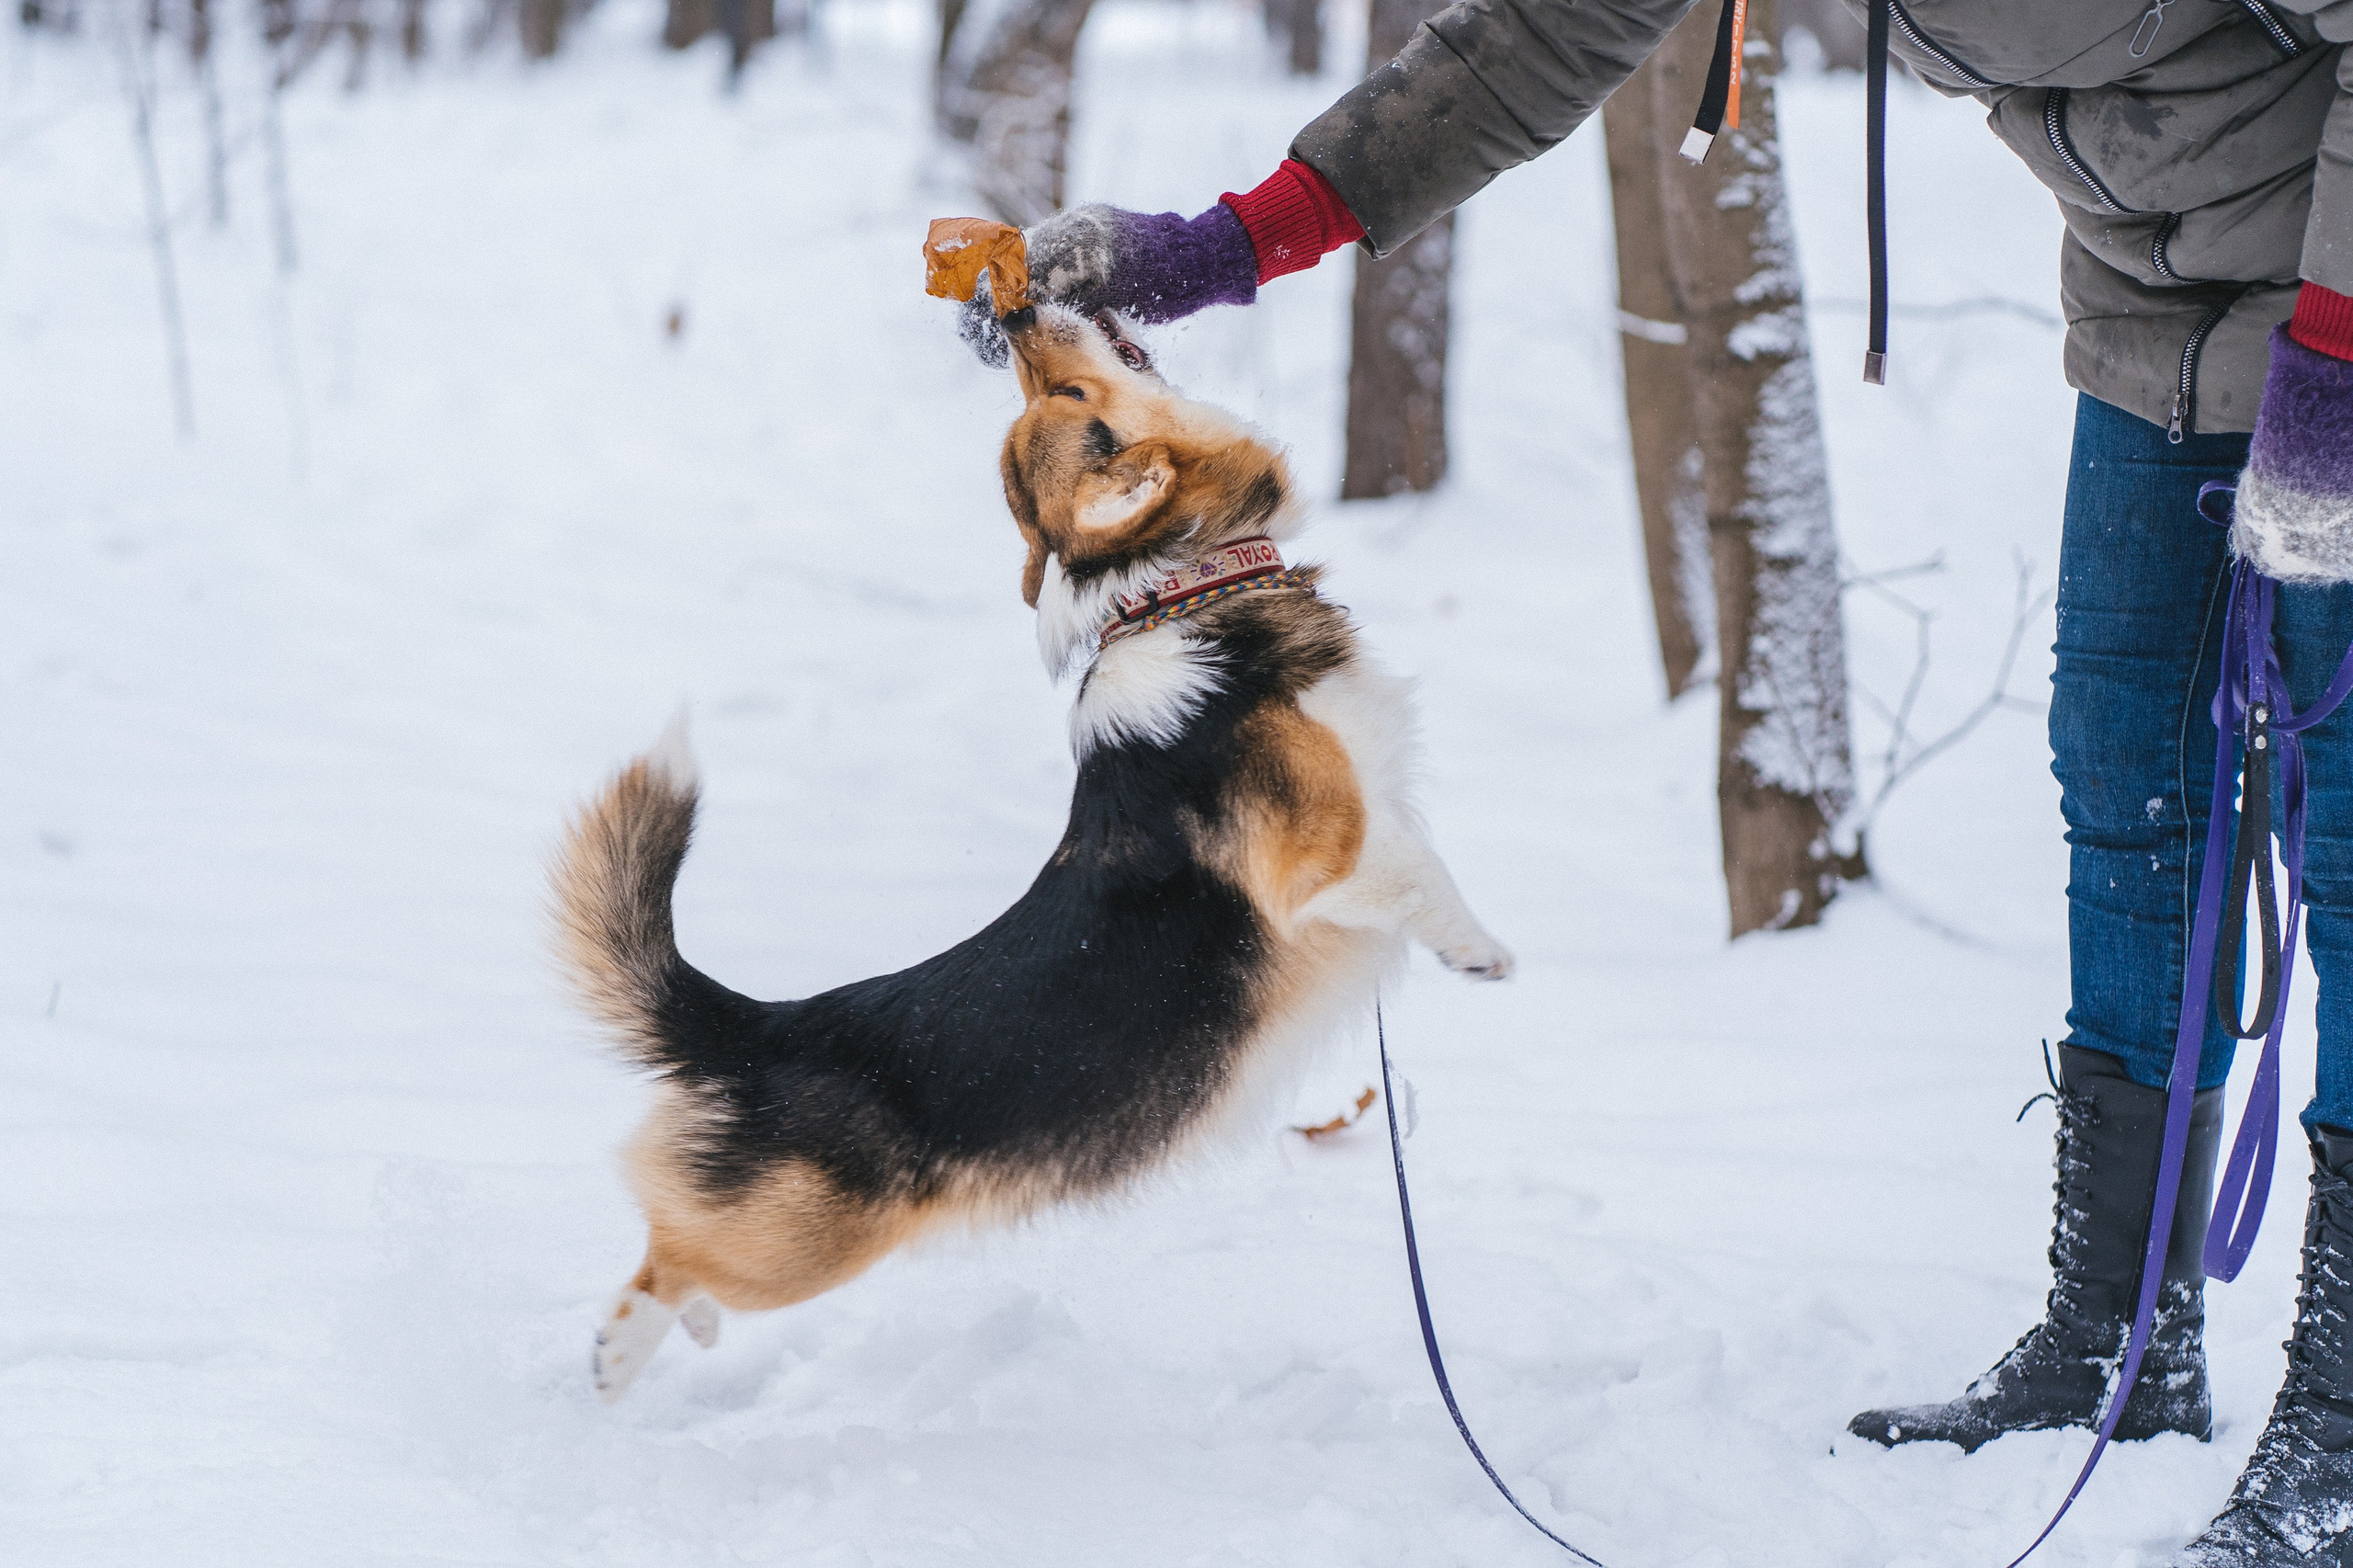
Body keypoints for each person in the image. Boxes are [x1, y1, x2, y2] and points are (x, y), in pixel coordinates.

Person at [960, 1, 2353, 1561]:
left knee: (2350, 838)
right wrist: (1223, 247)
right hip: (2155, 315)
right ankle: (2118, 1346)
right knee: (2125, 788)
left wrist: (2339, 362)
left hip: (2344, 303)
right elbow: (1534, 40)